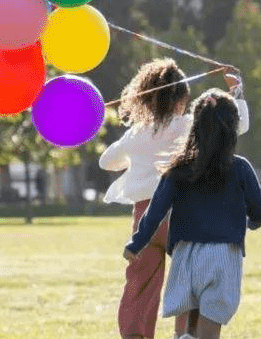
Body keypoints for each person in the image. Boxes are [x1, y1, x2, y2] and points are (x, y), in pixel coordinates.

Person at [100, 58, 248, 339]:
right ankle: (187, 334)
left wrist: (137, 154)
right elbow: (236, 127)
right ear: (182, 97)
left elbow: (107, 162)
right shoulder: (189, 125)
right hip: (183, 215)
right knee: (191, 279)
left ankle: (135, 334)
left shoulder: (136, 133)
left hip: (145, 218)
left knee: (140, 282)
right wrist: (237, 93)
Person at [123, 89, 261, 339]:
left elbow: (155, 211)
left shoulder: (178, 169)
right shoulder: (241, 168)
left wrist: (136, 243)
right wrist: (248, 222)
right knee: (209, 330)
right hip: (224, 255)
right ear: (232, 129)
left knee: (185, 327)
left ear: (195, 126)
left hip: (185, 255)